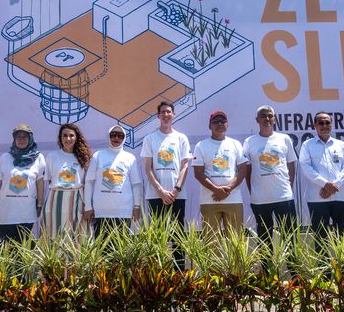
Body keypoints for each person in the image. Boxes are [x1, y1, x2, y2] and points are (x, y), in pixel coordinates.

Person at [141, 101, 191, 269]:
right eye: (163, 112)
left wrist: (176, 189)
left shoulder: (181, 138)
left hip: (177, 196)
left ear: (173, 115)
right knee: (157, 237)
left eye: (169, 112)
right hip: (156, 195)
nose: (166, 115)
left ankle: (179, 275)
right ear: (158, 116)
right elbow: (147, 168)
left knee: (178, 236)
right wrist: (161, 191)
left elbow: (185, 166)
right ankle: (158, 275)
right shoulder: (150, 138)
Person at [243, 105, 297, 249]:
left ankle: (293, 265)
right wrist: (253, 191)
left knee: (290, 238)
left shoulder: (284, 139)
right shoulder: (249, 142)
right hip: (260, 199)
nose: (267, 119)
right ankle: (267, 266)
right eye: (263, 116)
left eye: (270, 116)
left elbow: (291, 166)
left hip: (284, 197)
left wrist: (288, 188)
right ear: (257, 120)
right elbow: (247, 171)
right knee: (264, 240)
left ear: (274, 119)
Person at [192, 110, 248, 235]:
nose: (219, 124)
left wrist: (228, 189)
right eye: (216, 121)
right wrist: (216, 190)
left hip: (233, 199)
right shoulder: (201, 146)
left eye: (223, 121)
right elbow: (198, 173)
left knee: (235, 241)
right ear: (210, 125)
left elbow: (243, 170)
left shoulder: (235, 144)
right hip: (209, 199)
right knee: (211, 242)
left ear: (227, 124)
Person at [298, 112, 344, 236]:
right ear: (315, 125)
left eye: (327, 122)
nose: (324, 126)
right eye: (321, 123)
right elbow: (306, 167)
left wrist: (334, 186)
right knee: (320, 238)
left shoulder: (341, 144)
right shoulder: (307, 145)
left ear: (331, 124)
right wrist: (325, 184)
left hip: (341, 197)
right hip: (317, 198)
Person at [0, 124, 45, 242]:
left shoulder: (38, 158)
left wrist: (40, 204)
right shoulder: (5, 157)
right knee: (7, 248)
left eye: (25, 137)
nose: (21, 139)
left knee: (23, 248)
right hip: (6, 213)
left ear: (30, 138)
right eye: (18, 137)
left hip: (27, 213)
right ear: (14, 139)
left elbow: (40, 184)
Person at [83, 125, 142, 236]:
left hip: (124, 212)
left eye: (120, 135)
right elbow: (89, 182)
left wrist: (137, 206)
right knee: (102, 246)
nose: (116, 138)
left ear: (124, 138)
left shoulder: (130, 158)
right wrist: (88, 207)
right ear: (108, 136)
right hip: (100, 212)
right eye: (113, 135)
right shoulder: (97, 156)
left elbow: (136, 185)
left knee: (122, 247)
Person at [41, 123, 91, 238]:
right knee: (54, 233)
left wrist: (87, 206)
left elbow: (87, 183)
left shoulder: (84, 157)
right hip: (55, 200)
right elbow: (49, 181)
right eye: (65, 135)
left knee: (77, 235)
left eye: (71, 135)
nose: (68, 139)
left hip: (77, 199)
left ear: (76, 137)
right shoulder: (52, 156)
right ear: (60, 138)